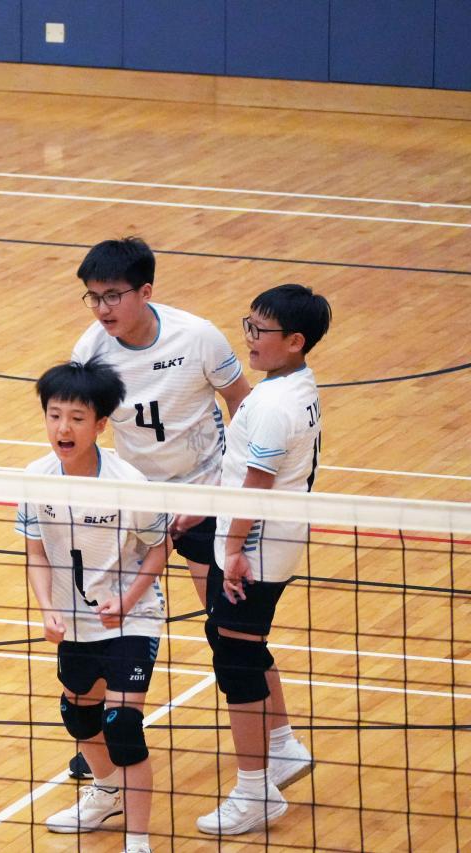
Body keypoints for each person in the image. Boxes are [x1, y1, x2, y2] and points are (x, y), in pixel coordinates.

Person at [67, 237, 310, 789]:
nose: (102, 308)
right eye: (93, 297)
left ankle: (282, 742)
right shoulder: (91, 349)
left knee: (232, 633)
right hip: (137, 506)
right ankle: (102, 743)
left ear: (145, 291)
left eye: (112, 296)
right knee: (107, 623)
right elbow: (85, 424)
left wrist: (217, 492)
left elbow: (240, 402)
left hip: (205, 499)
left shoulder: (197, 336)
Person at [18, 358, 169, 853]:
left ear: (100, 424)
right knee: (79, 716)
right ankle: (107, 792)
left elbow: (159, 547)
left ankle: (138, 841)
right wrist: (47, 608)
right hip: (76, 622)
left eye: (77, 418)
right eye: (54, 415)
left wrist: (126, 601)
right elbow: (36, 553)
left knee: (122, 726)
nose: (63, 428)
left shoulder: (128, 483)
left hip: (131, 617)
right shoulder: (35, 478)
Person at [197, 284, 332, 836]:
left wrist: (232, 549)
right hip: (262, 541)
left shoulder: (276, 405)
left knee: (236, 660)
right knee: (234, 643)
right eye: (248, 325)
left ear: (295, 341)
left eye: (261, 330)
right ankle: (282, 748)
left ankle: (255, 792)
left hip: (255, 549)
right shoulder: (291, 385)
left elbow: (257, 484)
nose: (249, 338)